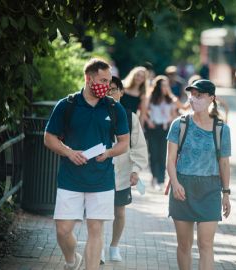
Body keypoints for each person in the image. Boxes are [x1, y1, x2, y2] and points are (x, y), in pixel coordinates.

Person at [44, 58, 130, 270]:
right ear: (88, 78)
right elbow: (49, 137)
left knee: (95, 230)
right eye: (103, 79)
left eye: (109, 80)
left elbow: (124, 143)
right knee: (63, 230)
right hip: (70, 177)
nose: (107, 85)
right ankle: (72, 260)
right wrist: (69, 152)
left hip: (101, 179)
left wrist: (109, 153)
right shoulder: (67, 105)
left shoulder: (114, 108)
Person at [166, 79, 232, 270]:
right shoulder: (179, 124)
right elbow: (170, 160)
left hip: (210, 189)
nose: (194, 99)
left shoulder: (221, 129)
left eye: (200, 95)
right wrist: (175, 183)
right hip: (182, 188)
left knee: (205, 244)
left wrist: (226, 193)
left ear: (212, 98)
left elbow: (224, 163)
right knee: (184, 245)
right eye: (192, 95)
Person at [101, 76, 149, 263]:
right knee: (99, 212)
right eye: (106, 90)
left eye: (113, 89)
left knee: (119, 212)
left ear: (121, 92)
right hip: (99, 171)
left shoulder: (130, 116)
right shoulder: (96, 114)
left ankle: (114, 246)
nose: (109, 93)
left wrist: (136, 170)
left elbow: (138, 146)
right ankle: (99, 248)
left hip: (122, 172)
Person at [145, 75, 178, 190]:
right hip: (153, 128)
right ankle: (154, 177)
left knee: (163, 154)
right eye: (163, 86)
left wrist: (170, 120)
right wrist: (149, 121)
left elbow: (174, 115)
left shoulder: (170, 99)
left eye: (166, 85)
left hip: (165, 129)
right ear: (158, 87)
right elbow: (144, 111)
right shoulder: (151, 98)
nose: (165, 88)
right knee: (153, 153)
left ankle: (161, 180)